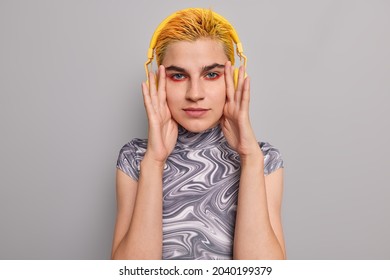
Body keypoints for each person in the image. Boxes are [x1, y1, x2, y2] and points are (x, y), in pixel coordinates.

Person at [111, 8, 285, 260]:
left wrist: (249, 158)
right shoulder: (135, 157)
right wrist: (154, 161)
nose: (195, 93)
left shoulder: (264, 159)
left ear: (233, 80)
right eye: (178, 75)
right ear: (158, 83)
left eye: (211, 74)